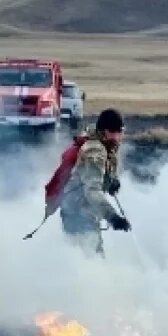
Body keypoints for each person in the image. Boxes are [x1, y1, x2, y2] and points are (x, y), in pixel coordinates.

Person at [59, 108, 130, 255]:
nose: (121, 136)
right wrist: (113, 217)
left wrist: (109, 181)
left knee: (88, 256)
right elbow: (92, 191)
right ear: (106, 132)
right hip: (78, 213)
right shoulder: (95, 152)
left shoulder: (103, 143)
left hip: (82, 211)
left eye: (121, 131)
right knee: (93, 258)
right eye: (118, 131)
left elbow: (94, 174)